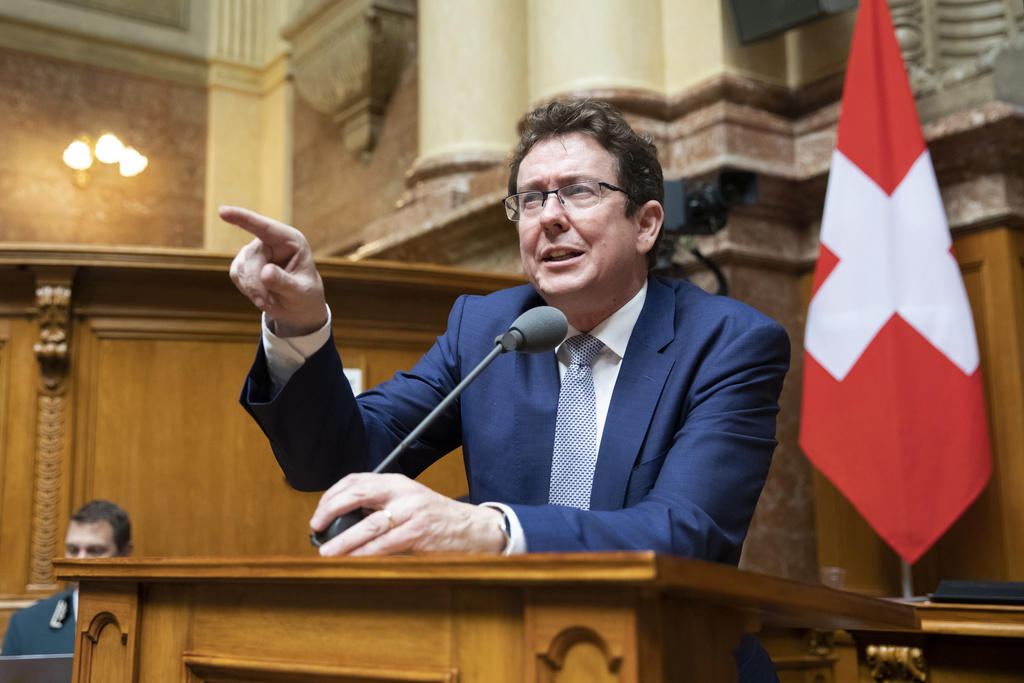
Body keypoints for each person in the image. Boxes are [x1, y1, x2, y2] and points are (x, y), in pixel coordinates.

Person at [224, 99, 788, 562]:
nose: (549, 216)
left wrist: (493, 530)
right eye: (531, 198)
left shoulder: (727, 343)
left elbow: (688, 534)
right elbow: (336, 462)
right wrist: (298, 325)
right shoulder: (488, 329)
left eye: (580, 191)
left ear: (645, 224)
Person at [2, 500, 132, 655]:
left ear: (124, 553)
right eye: (73, 550)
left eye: (95, 550)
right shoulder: (26, 625)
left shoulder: (148, 621)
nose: (80, 560)